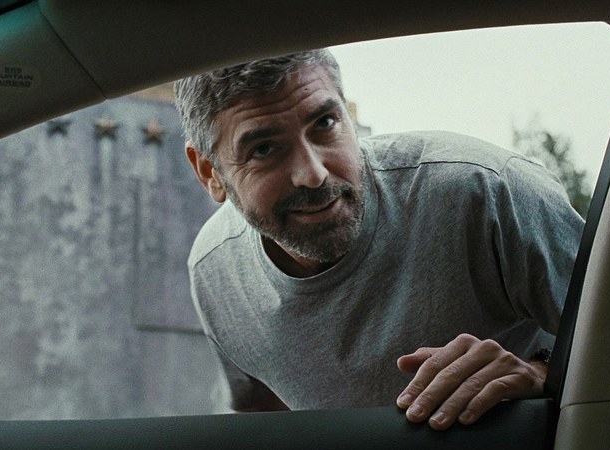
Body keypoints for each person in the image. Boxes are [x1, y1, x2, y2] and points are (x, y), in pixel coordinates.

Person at [173, 49, 583, 430]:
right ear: (209, 172)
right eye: (264, 149)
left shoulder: (487, 192)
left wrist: (541, 374)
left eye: (324, 124)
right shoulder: (216, 271)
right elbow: (262, 413)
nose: (313, 174)